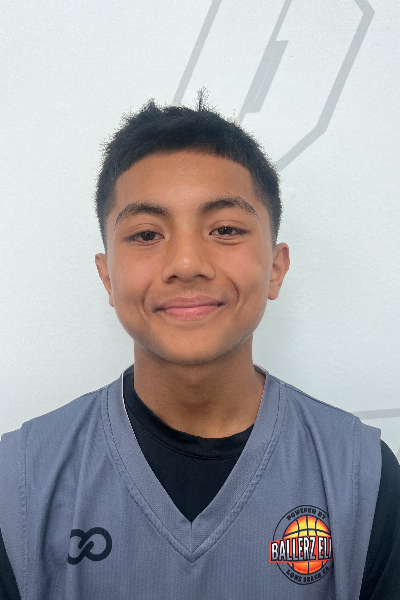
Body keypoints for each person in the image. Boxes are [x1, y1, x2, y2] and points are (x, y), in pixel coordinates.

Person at [0, 94, 399, 600]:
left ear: (275, 268)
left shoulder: (361, 474)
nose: (186, 263)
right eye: (147, 234)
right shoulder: (19, 482)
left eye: (225, 229)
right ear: (108, 277)